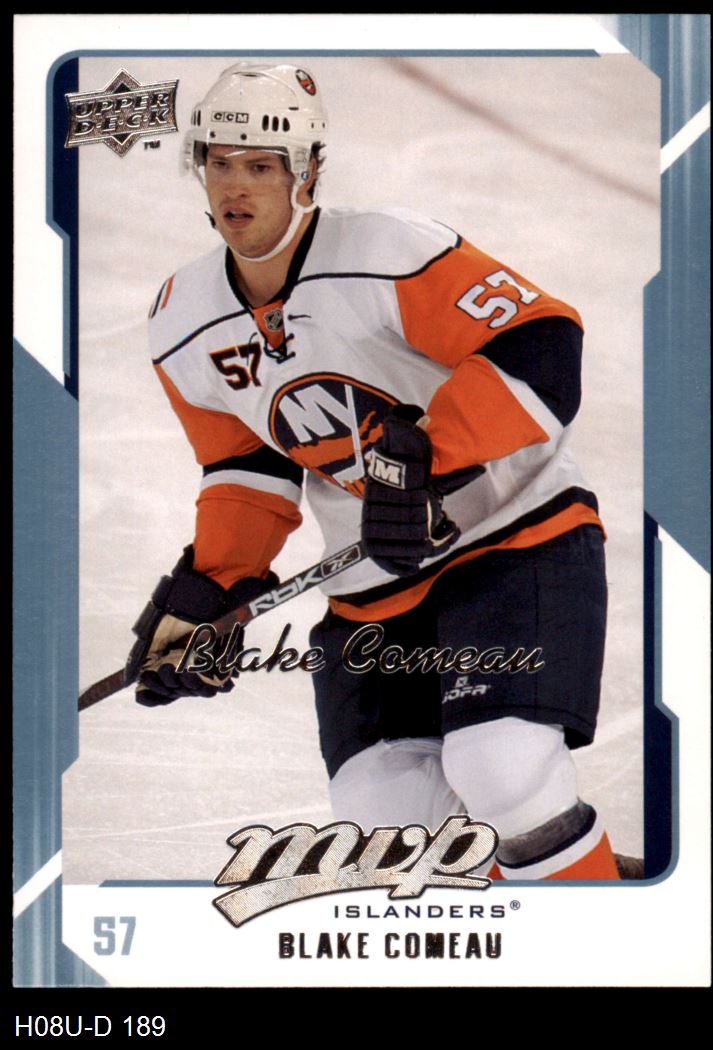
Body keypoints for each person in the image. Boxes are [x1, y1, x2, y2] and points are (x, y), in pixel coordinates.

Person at [127, 61, 623, 881]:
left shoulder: (389, 249)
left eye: (262, 166)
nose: (237, 186)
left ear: (308, 173)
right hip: (376, 583)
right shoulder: (182, 318)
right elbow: (246, 463)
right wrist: (213, 588)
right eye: (220, 161)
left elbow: (543, 343)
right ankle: (565, 882)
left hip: (516, 538)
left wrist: (426, 462)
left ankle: (601, 917)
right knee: (385, 837)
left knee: (504, 772)